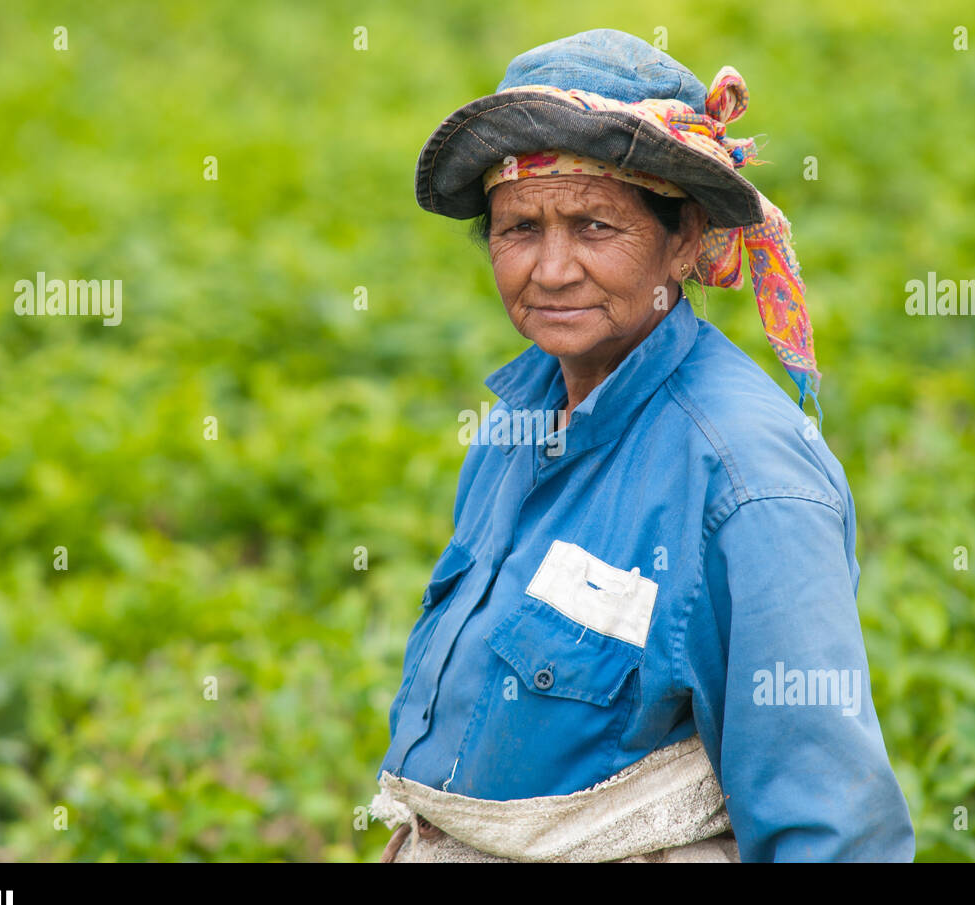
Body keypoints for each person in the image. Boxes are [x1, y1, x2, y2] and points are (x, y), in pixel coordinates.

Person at [372, 28, 915, 862]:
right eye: (519, 229)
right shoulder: (520, 417)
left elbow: (833, 828)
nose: (550, 270)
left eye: (594, 226)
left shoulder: (748, 479)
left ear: (686, 238)